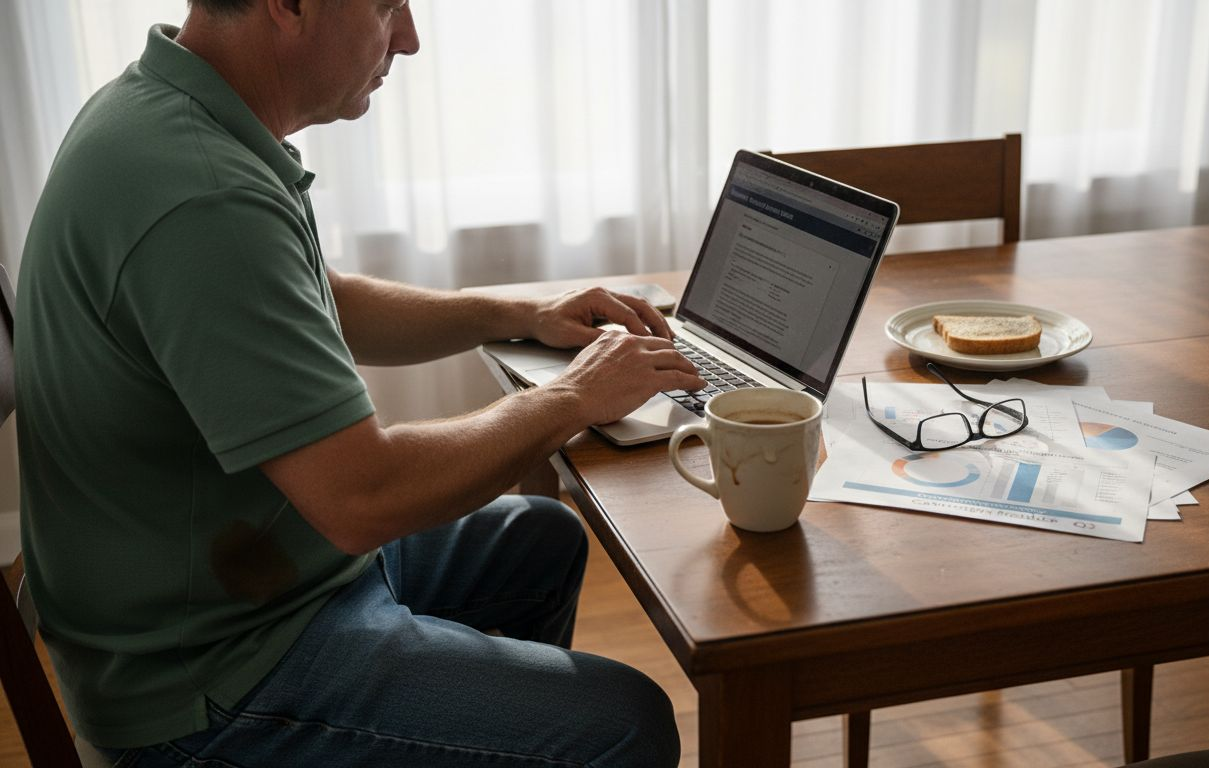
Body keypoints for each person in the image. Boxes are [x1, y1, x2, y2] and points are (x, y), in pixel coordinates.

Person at [14, 0, 703, 765]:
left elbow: (317, 300)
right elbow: (362, 497)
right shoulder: (202, 193)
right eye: (386, 6)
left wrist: (516, 311)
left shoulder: (166, 108)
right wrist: (569, 399)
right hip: (208, 680)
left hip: (251, 587)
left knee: (542, 541)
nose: (408, 38)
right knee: (628, 722)